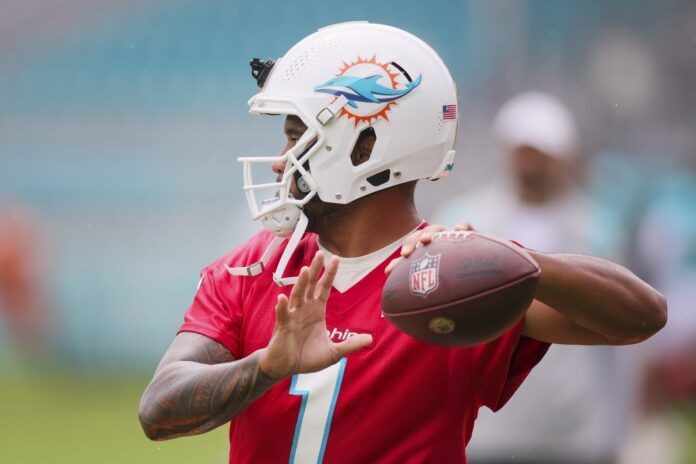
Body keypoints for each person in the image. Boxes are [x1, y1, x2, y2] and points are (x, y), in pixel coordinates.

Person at [138, 22, 667, 463]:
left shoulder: (453, 279)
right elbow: (159, 411)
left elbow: (642, 317)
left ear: (366, 145)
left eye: (297, 134)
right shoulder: (255, 266)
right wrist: (267, 366)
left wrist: (520, 262)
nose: (282, 159)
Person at [435, 92, 626, 464]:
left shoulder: (598, 230)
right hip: (488, 431)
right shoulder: (463, 220)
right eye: (523, 151)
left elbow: (620, 346)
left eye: (540, 153)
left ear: (564, 156)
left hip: (573, 435)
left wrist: (616, 428)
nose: (530, 164)